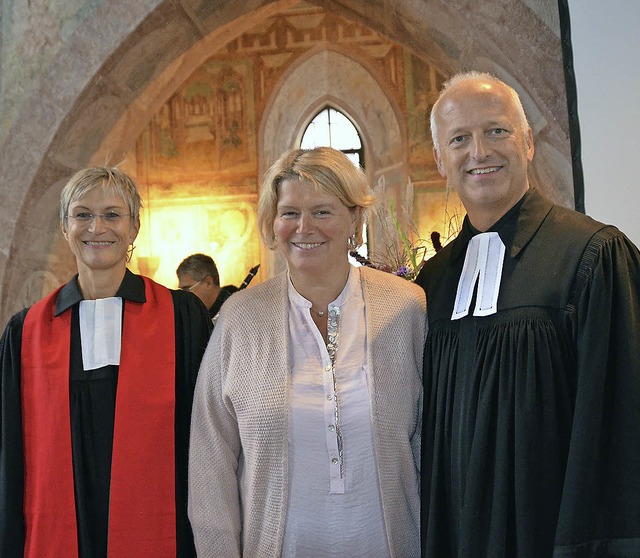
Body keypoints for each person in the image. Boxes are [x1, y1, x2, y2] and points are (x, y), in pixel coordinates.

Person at [416, 71, 640, 557]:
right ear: (440, 160)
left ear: (528, 142)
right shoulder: (432, 283)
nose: (479, 152)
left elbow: (618, 431)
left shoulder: (592, 255)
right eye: (460, 139)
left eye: (496, 131)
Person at [188, 146, 426, 557]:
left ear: (354, 218)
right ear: (273, 223)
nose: (304, 227)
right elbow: (211, 460)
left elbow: (432, 443)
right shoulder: (239, 319)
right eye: (289, 213)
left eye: (322, 211)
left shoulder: (406, 308)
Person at [0, 167, 212, 557]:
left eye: (112, 215)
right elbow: (10, 457)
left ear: (133, 228)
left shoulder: (182, 318)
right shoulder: (25, 333)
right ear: (65, 228)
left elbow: (208, 439)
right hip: (58, 530)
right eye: (82, 215)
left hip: (162, 526)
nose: (97, 227)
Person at [176, 253, 236, 324]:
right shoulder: (197, 316)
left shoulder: (237, 313)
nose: (183, 296)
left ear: (208, 282)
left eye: (187, 289)